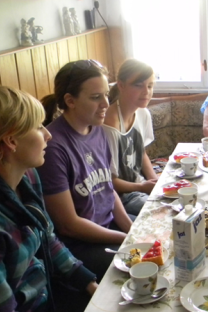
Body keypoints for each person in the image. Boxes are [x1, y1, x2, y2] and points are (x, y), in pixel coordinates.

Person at [0, 86, 97, 311]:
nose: (48, 134)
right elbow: (2, 305)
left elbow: (46, 236)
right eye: (38, 127)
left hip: (45, 293)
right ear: (11, 141)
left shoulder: (28, 176)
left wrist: (88, 282)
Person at [37, 59, 133, 282]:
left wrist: (131, 228)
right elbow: (69, 225)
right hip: (80, 245)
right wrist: (127, 239)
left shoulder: (97, 129)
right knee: (142, 264)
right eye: (95, 97)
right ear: (70, 100)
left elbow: (109, 190)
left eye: (106, 95)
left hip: (109, 225)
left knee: (162, 234)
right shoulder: (54, 147)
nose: (106, 104)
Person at [103, 59, 158, 216]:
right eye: (138, 85)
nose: (146, 92)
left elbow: (142, 154)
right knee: (166, 213)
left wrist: (156, 182)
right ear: (121, 85)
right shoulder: (109, 125)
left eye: (150, 86)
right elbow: (109, 181)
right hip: (122, 197)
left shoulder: (143, 113)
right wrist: (142, 187)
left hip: (139, 186)